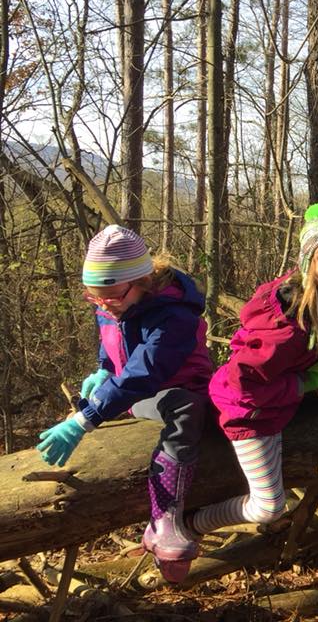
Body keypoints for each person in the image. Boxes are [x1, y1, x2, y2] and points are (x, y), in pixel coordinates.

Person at [37, 225, 212, 583]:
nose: (103, 305)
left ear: (142, 281)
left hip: (172, 389)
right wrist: (102, 370)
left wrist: (85, 419)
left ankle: (165, 518)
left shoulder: (175, 315)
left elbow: (144, 372)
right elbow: (112, 347)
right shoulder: (114, 302)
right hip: (132, 393)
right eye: (94, 297)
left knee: (186, 408)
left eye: (110, 296)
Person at [188, 204, 318, 553]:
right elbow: (240, 383)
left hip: (272, 410)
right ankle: (191, 524)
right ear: (307, 263)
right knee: (268, 506)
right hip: (247, 415)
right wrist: (301, 384)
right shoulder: (288, 329)